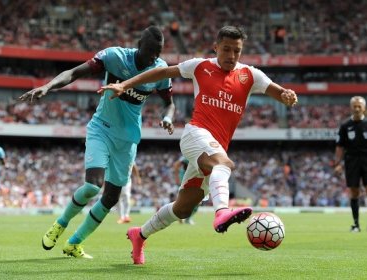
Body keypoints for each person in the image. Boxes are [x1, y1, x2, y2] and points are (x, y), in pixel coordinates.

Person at [99, 25, 298, 265]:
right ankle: (222, 211)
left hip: (215, 146)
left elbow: (277, 91)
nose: (232, 56)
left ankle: (139, 235)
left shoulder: (250, 75)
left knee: (183, 209)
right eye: (226, 49)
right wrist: (125, 84)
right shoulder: (199, 66)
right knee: (224, 164)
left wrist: (287, 95)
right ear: (216, 47)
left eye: (237, 51)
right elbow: (161, 73)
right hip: (196, 134)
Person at [19, 26, 175, 259]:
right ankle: (60, 224)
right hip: (101, 129)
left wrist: (167, 117)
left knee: (111, 197)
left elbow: (169, 103)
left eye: (158, 52)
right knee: (93, 185)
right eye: (151, 50)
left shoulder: (160, 70)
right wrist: (48, 86)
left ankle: (74, 243)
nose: (154, 56)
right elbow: (75, 72)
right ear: (139, 43)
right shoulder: (114, 57)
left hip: (128, 139)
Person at [334, 96, 367, 232]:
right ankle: (356, 224)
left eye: (360, 106)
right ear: (351, 107)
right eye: (355, 106)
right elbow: (340, 146)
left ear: (364, 108)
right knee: (354, 192)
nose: (357, 108)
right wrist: (338, 163)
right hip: (352, 161)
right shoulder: (345, 126)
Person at [173, 155, 198, 225]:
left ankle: (186, 218)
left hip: (196, 177)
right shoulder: (188, 154)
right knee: (187, 199)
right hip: (186, 177)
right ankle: (179, 215)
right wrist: (177, 178)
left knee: (198, 201)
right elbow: (176, 165)